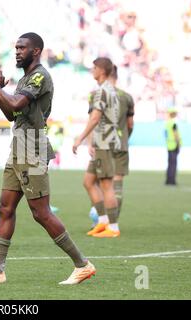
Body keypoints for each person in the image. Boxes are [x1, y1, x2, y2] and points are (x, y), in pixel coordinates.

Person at [0, 33, 95, 285]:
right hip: (19, 147)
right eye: (15, 47)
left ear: (36, 51)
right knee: (5, 207)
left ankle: (83, 264)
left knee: (41, 212)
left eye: (22, 48)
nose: (17, 51)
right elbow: (12, 114)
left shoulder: (39, 76)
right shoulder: (25, 78)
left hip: (32, 148)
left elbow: (15, 105)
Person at [74, 57, 121, 238]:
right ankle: (102, 222)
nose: (92, 70)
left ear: (102, 70)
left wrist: (80, 139)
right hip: (102, 143)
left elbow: (95, 118)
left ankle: (113, 227)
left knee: (107, 185)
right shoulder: (109, 90)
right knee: (88, 181)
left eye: (94, 68)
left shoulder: (102, 91)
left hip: (105, 144)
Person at [87, 65, 134, 225]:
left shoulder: (96, 95)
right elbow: (130, 124)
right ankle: (112, 221)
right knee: (116, 184)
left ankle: (105, 221)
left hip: (102, 143)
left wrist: (89, 143)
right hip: (121, 144)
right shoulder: (127, 97)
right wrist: (125, 139)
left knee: (97, 182)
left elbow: (93, 120)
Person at [165, 108, 181, 185]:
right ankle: (172, 180)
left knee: (170, 164)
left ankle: (168, 180)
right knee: (173, 164)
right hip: (174, 145)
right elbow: (175, 134)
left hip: (169, 145)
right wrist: (178, 143)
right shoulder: (173, 123)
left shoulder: (167, 123)